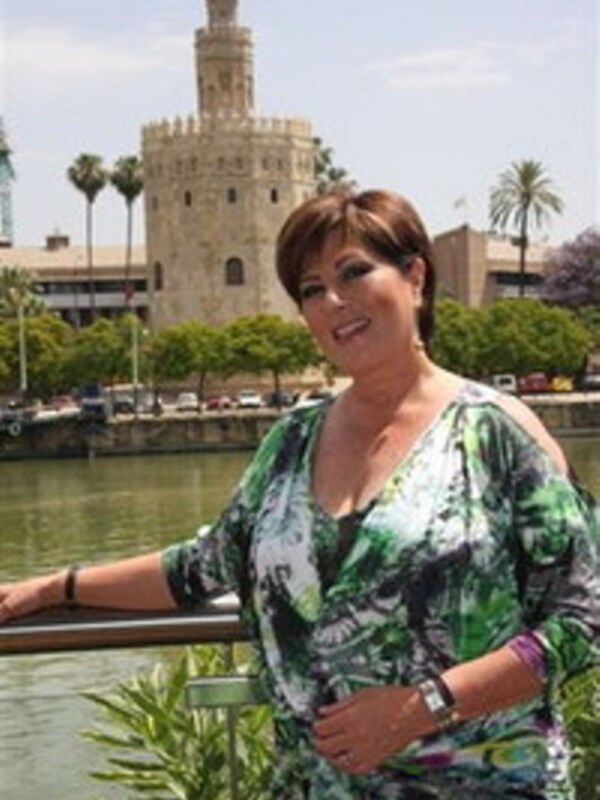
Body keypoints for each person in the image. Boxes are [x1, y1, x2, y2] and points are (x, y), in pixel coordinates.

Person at [0, 189, 597, 800]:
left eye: (354, 271)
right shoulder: (290, 443)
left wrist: (425, 706)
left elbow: (582, 619)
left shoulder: (496, 431)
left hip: (484, 784)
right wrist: (55, 587)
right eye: (311, 289)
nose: (334, 301)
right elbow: (201, 567)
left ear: (415, 276)